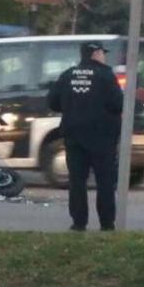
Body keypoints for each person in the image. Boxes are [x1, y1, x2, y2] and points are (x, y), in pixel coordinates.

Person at [48, 41, 123, 231]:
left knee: (77, 181)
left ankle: (79, 222)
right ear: (95, 53)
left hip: (74, 135)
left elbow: (52, 102)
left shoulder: (68, 74)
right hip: (102, 137)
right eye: (102, 52)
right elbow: (118, 103)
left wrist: (72, 106)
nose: (104, 56)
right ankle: (107, 223)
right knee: (105, 182)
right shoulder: (106, 75)